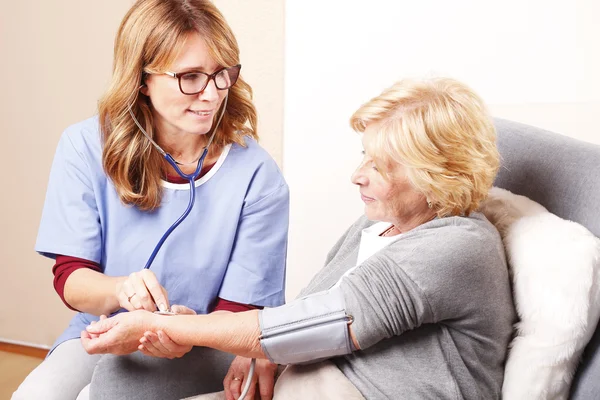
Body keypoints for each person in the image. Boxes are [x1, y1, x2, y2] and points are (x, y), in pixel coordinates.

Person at [81, 76, 516, 399]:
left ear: (433, 175)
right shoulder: (376, 225)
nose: (357, 175)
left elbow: (326, 323)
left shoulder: (458, 246)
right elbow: (305, 315)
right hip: (299, 385)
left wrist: (168, 324)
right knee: (125, 376)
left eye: (380, 165)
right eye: (364, 155)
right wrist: (256, 349)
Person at [12, 1, 288, 399]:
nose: (211, 94)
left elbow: (240, 312)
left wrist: (180, 329)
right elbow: (71, 277)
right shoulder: (84, 147)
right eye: (190, 77)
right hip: (106, 331)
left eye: (220, 74)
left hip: (208, 344)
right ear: (142, 78)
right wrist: (122, 290)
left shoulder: (258, 176)